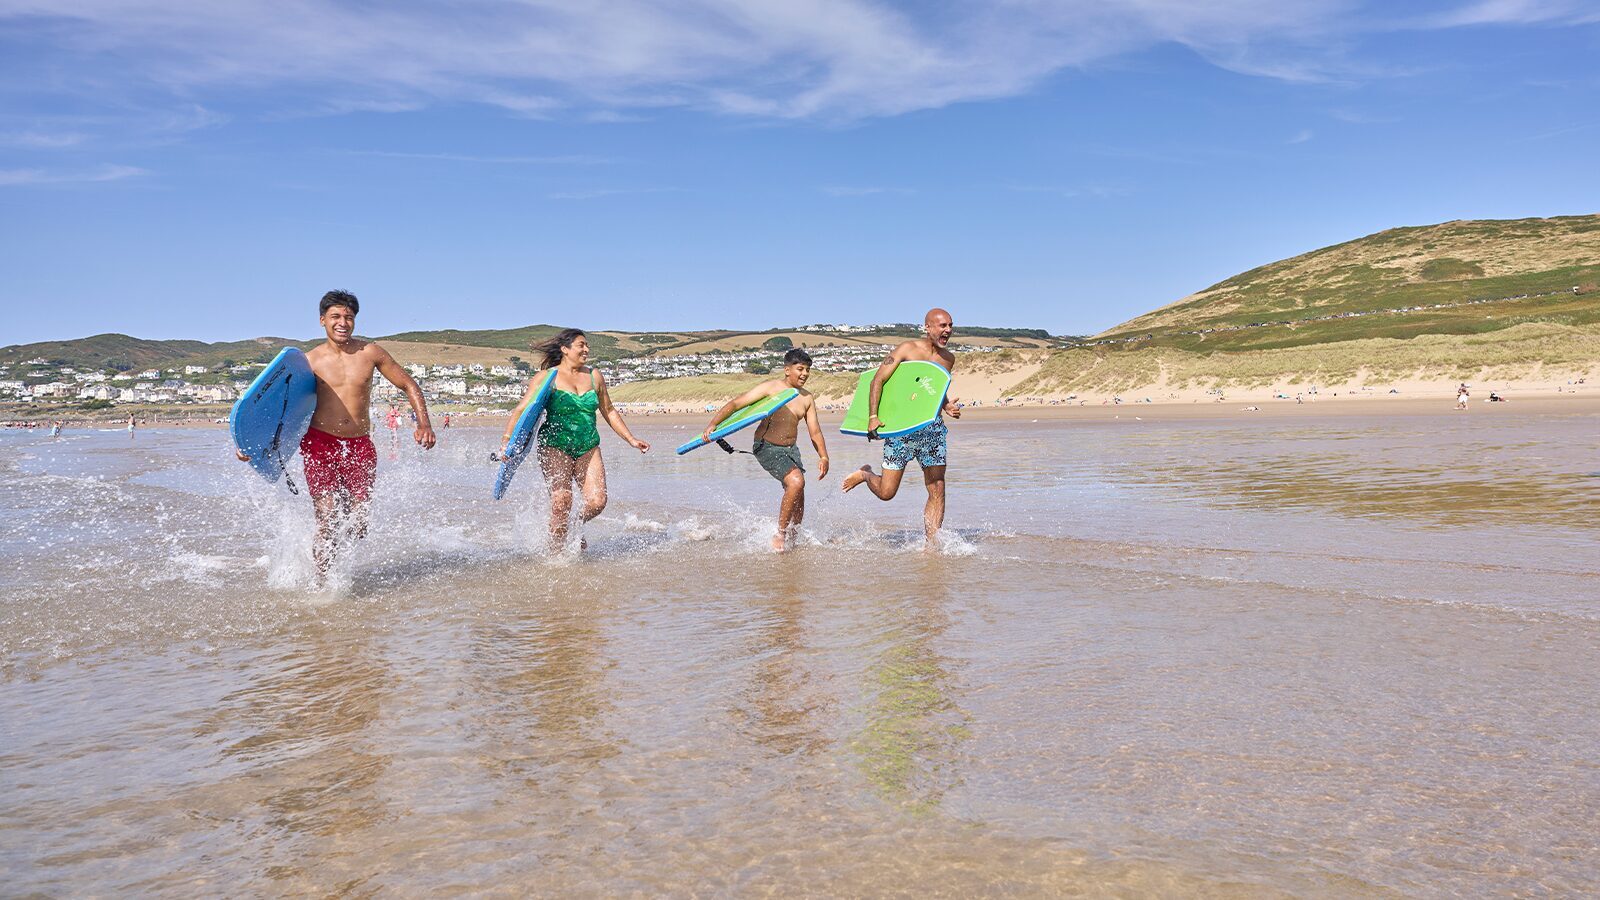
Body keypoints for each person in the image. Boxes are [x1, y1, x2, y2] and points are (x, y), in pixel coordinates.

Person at [236, 290, 435, 582]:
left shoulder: (371, 353)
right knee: (327, 519)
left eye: (348, 317)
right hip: (320, 444)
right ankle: (323, 583)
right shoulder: (307, 362)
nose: (343, 322)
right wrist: (248, 443)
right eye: (335, 317)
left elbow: (408, 383)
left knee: (358, 525)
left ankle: (334, 560)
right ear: (322, 321)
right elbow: (275, 407)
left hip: (359, 445)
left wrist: (424, 424)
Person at [502, 328, 649, 551]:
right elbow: (521, 410)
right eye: (581, 345)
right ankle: (556, 553)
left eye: (587, 345)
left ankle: (572, 526)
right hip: (554, 444)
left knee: (597, 502)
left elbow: (608, 410)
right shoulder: (546, 378)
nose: (586, 349)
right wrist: (507, 442)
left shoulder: (594, 376)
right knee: (561, 502)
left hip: (588, 445)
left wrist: (630, 439)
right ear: (565, 349)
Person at [841, 308, 962, 546]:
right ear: (927, 327)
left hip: (931, 429)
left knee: (937, 486)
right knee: (887, 492)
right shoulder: (907, 349)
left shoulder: (948, 359)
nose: (947, 330)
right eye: (942, 325)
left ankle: (932, 545)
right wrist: (873, 416)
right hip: (901, 429)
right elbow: (878, 379)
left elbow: (932, 388)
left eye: (950, 325)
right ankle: (866, 474)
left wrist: (946, 405)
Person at [699, 348, 829, 551]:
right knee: (796, 481)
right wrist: (713, 424)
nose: (804, 374)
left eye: (808, 370)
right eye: (800, 369)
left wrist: (823, 455)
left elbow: (815, 431)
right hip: (767, 447)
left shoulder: (806, 398)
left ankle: (794, 538)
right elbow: (736, 404)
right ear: (787, 369)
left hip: (790, 450)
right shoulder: (771, 388)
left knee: (798, 492)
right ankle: (780, 534)